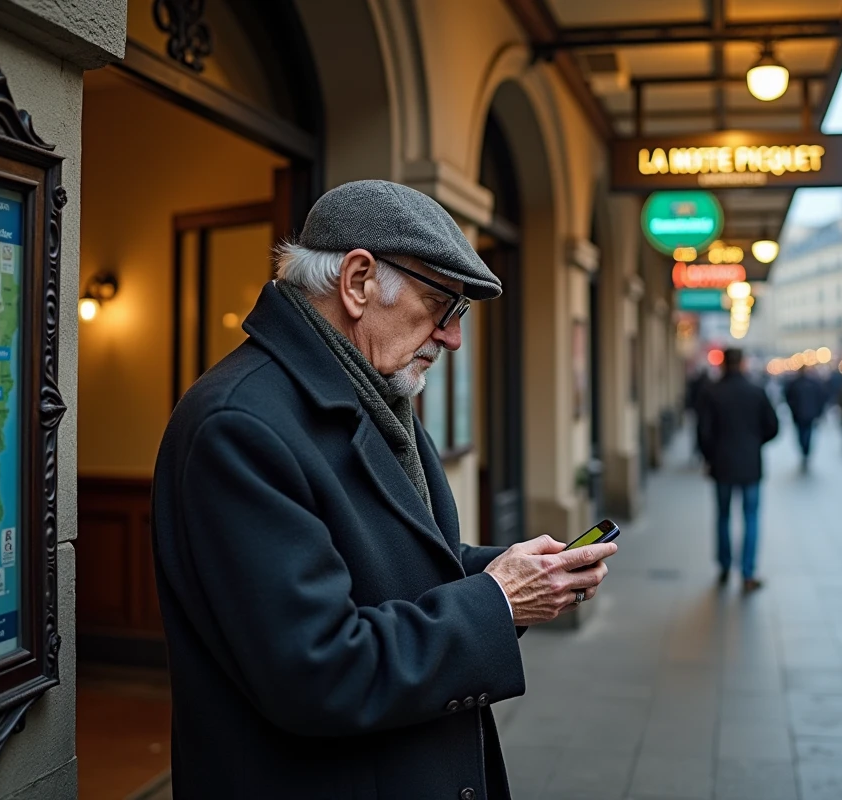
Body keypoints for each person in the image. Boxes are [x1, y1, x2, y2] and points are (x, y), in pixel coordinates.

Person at [150, 180, 618, 798]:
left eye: (460, 315)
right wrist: (498, 602)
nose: (453, 338)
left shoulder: (373, 394)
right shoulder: (239, 426)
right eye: (441, 304)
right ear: (359, 281)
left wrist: (513, 574)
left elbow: (393, 567)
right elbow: (318, 670)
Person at [698, 348, 779, 591]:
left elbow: (703, 432)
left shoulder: (711, 392)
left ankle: (724, 566)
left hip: (722, 464)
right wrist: (754, 442)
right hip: (750, 464)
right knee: (751, 517)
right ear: (742, 363)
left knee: (723, 516)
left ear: (723, 364)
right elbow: (773, 427)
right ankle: (747, 572)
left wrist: (710, 455)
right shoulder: (756, 391)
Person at [784, 365, 827, 471]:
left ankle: (805, 451)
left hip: (800, 414)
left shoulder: (795, 383)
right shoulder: (812, 383)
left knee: (802, 434)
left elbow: (788, 397)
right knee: (807, 433)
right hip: (807, 414)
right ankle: (805, 451)